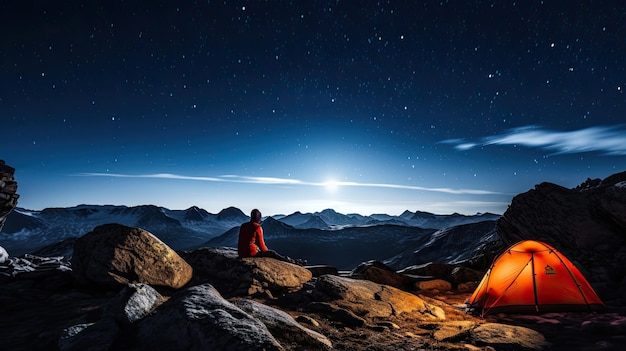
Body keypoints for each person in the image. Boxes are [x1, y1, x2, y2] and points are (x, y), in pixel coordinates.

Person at [237, 209, 306, 266]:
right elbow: (262, 246)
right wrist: (267, 252)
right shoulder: (257, 227)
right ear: (259, 218)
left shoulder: (243, 225)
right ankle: (294, 262)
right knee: (273, 253)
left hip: (241, 253)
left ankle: (294, 261)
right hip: (251, 254)